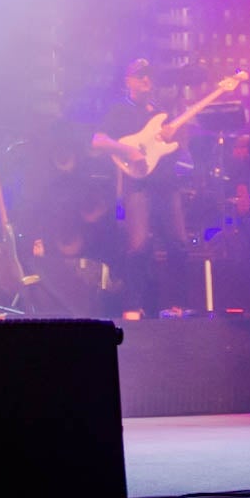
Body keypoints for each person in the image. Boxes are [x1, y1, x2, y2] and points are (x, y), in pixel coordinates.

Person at [90, 58, 193, 318]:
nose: (148, 80)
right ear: (129, 81)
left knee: (178, 243)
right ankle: (133, 306)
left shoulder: (161, 113)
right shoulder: (119, 111)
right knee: (138, 245)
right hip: (138, 186)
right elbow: (98, 140)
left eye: (150, 76)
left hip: (167, 183)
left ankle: (176, 304)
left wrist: (178, 138)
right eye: (141, 76)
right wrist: (128, 150)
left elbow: (178, 149)